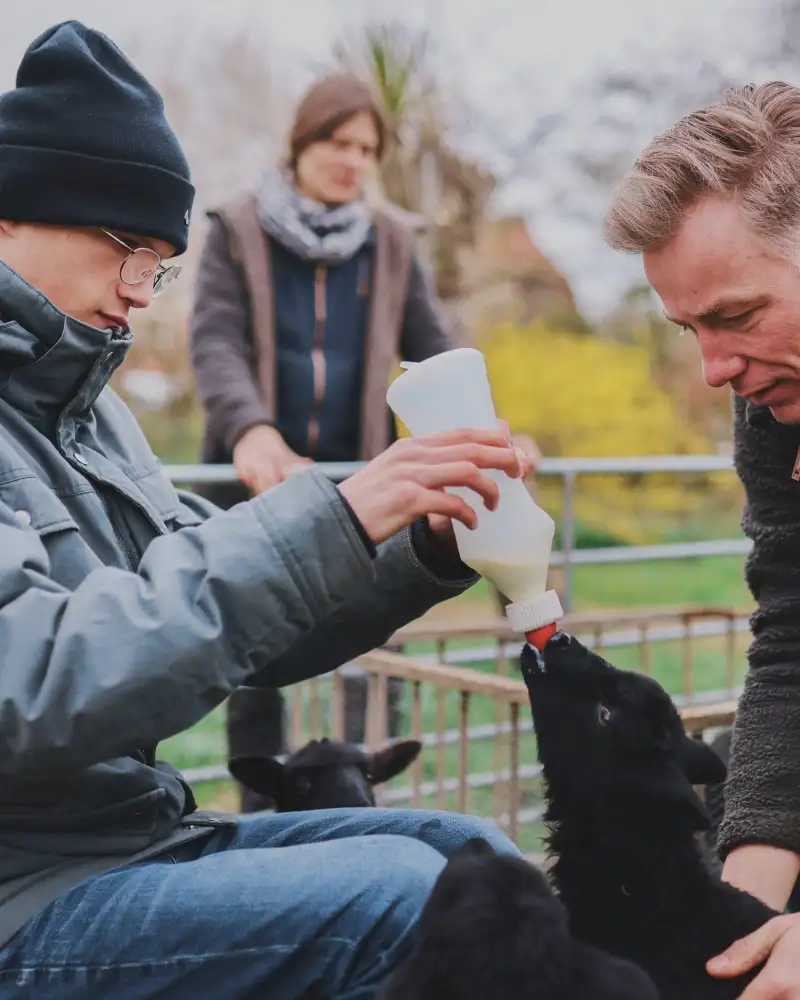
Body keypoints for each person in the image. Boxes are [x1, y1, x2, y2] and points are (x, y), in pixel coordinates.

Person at [0, 21, 527, 999]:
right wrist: (327, 514)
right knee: (408, 899)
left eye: (159, 262)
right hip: (25, 889)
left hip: (127, 834)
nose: (141, 294)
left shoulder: (92, 413)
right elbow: (30, 684)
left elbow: (214, 596)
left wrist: (421, 538)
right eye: (126, 250)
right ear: (8, 217)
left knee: (477, 866)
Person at [189, 72, 456, 772]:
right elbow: (215, 342)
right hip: (254, 484)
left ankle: (364, 792)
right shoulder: (237, 229)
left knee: (370, 644)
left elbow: (433, 345)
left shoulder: (393, 241)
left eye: (367, 150)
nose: (353, 161)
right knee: (253, 652)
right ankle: (259, 803)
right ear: (301, 144)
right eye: (338, 142)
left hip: (360, 480)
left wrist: (479, 423)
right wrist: (250, 428)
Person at [605, 81, 800, 998]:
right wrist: (737, 927)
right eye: (689, 328)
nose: (715, 368)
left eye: (737, 315)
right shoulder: (775, 404)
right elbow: (794, 641)